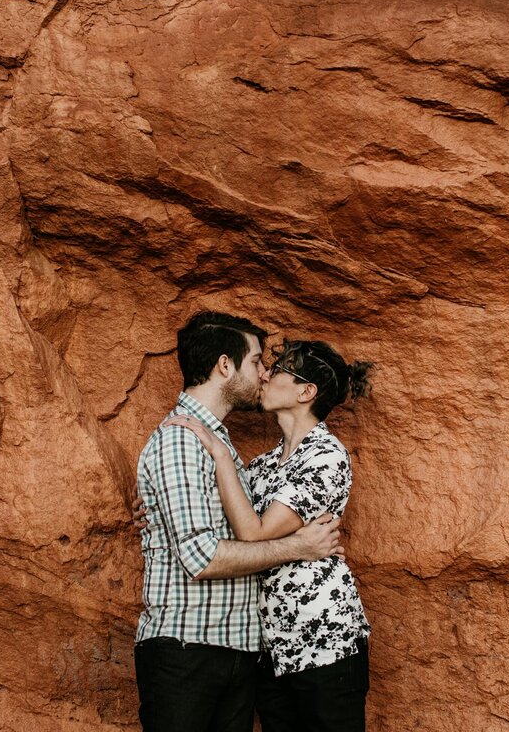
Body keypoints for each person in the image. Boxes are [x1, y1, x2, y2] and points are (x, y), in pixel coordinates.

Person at [134, 312, 344, 732]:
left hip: (239, 649)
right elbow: (201, 557)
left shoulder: (222, 444)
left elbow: (243, 523)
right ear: (225, 366)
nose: (264, 374)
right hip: (187, 647)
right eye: (256, 362)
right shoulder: (182, 439)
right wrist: (298, 547)